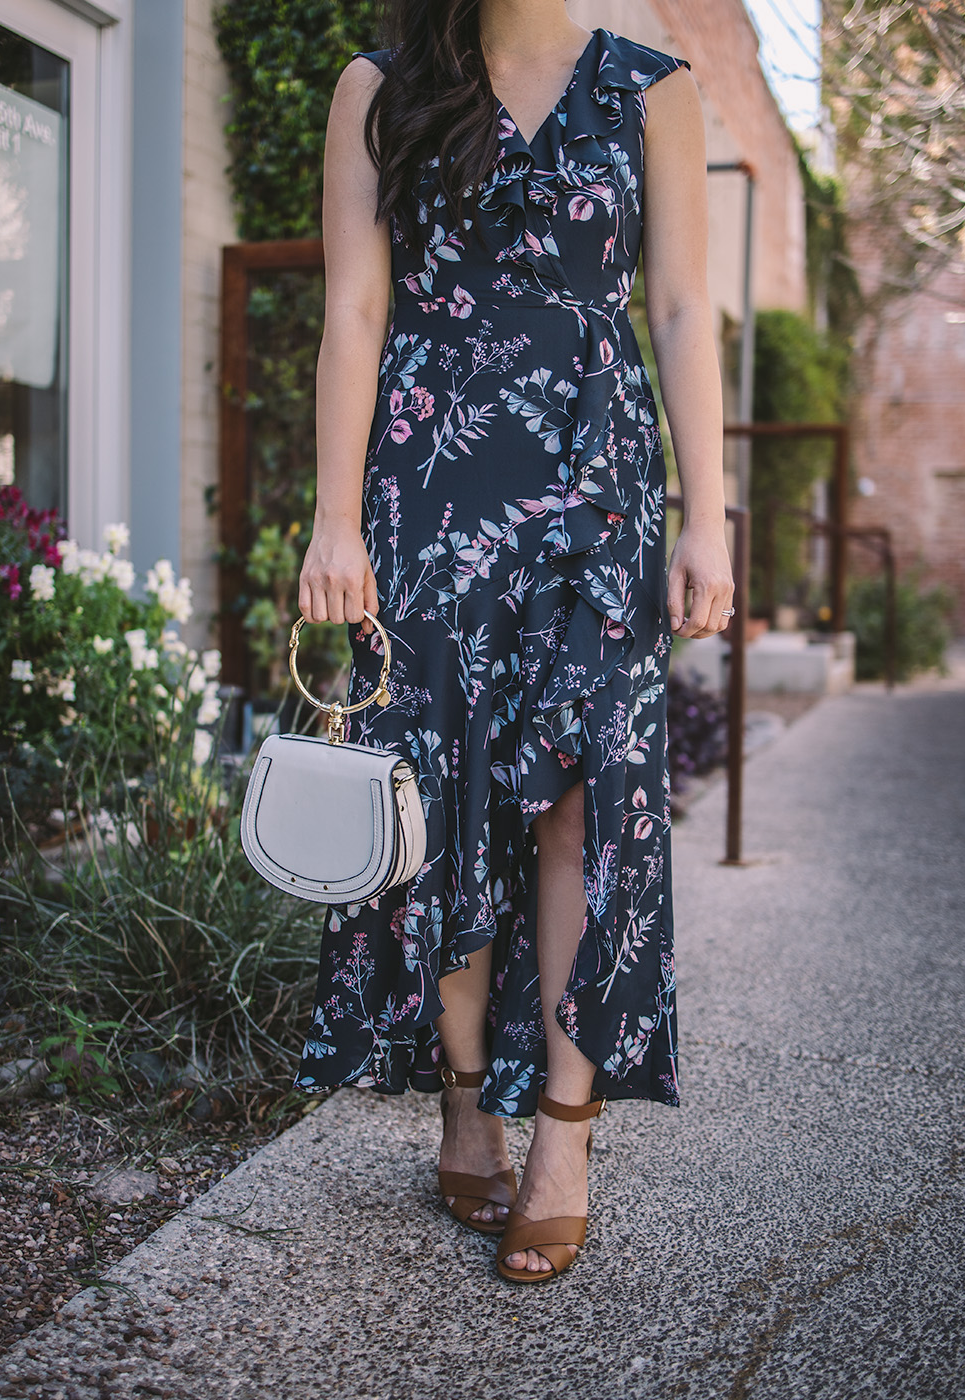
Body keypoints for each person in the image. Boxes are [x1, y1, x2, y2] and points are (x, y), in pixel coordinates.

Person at [294, 0, 734, 1285]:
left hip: (597, 484)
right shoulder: (379, 82)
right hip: (431, 482)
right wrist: (334, 523)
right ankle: (463, 1094)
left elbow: (687, 310)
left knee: (587, 803)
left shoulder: (652, 90)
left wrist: (708, 517)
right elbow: (354, 314)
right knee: (443, 796)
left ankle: (565, 1133)